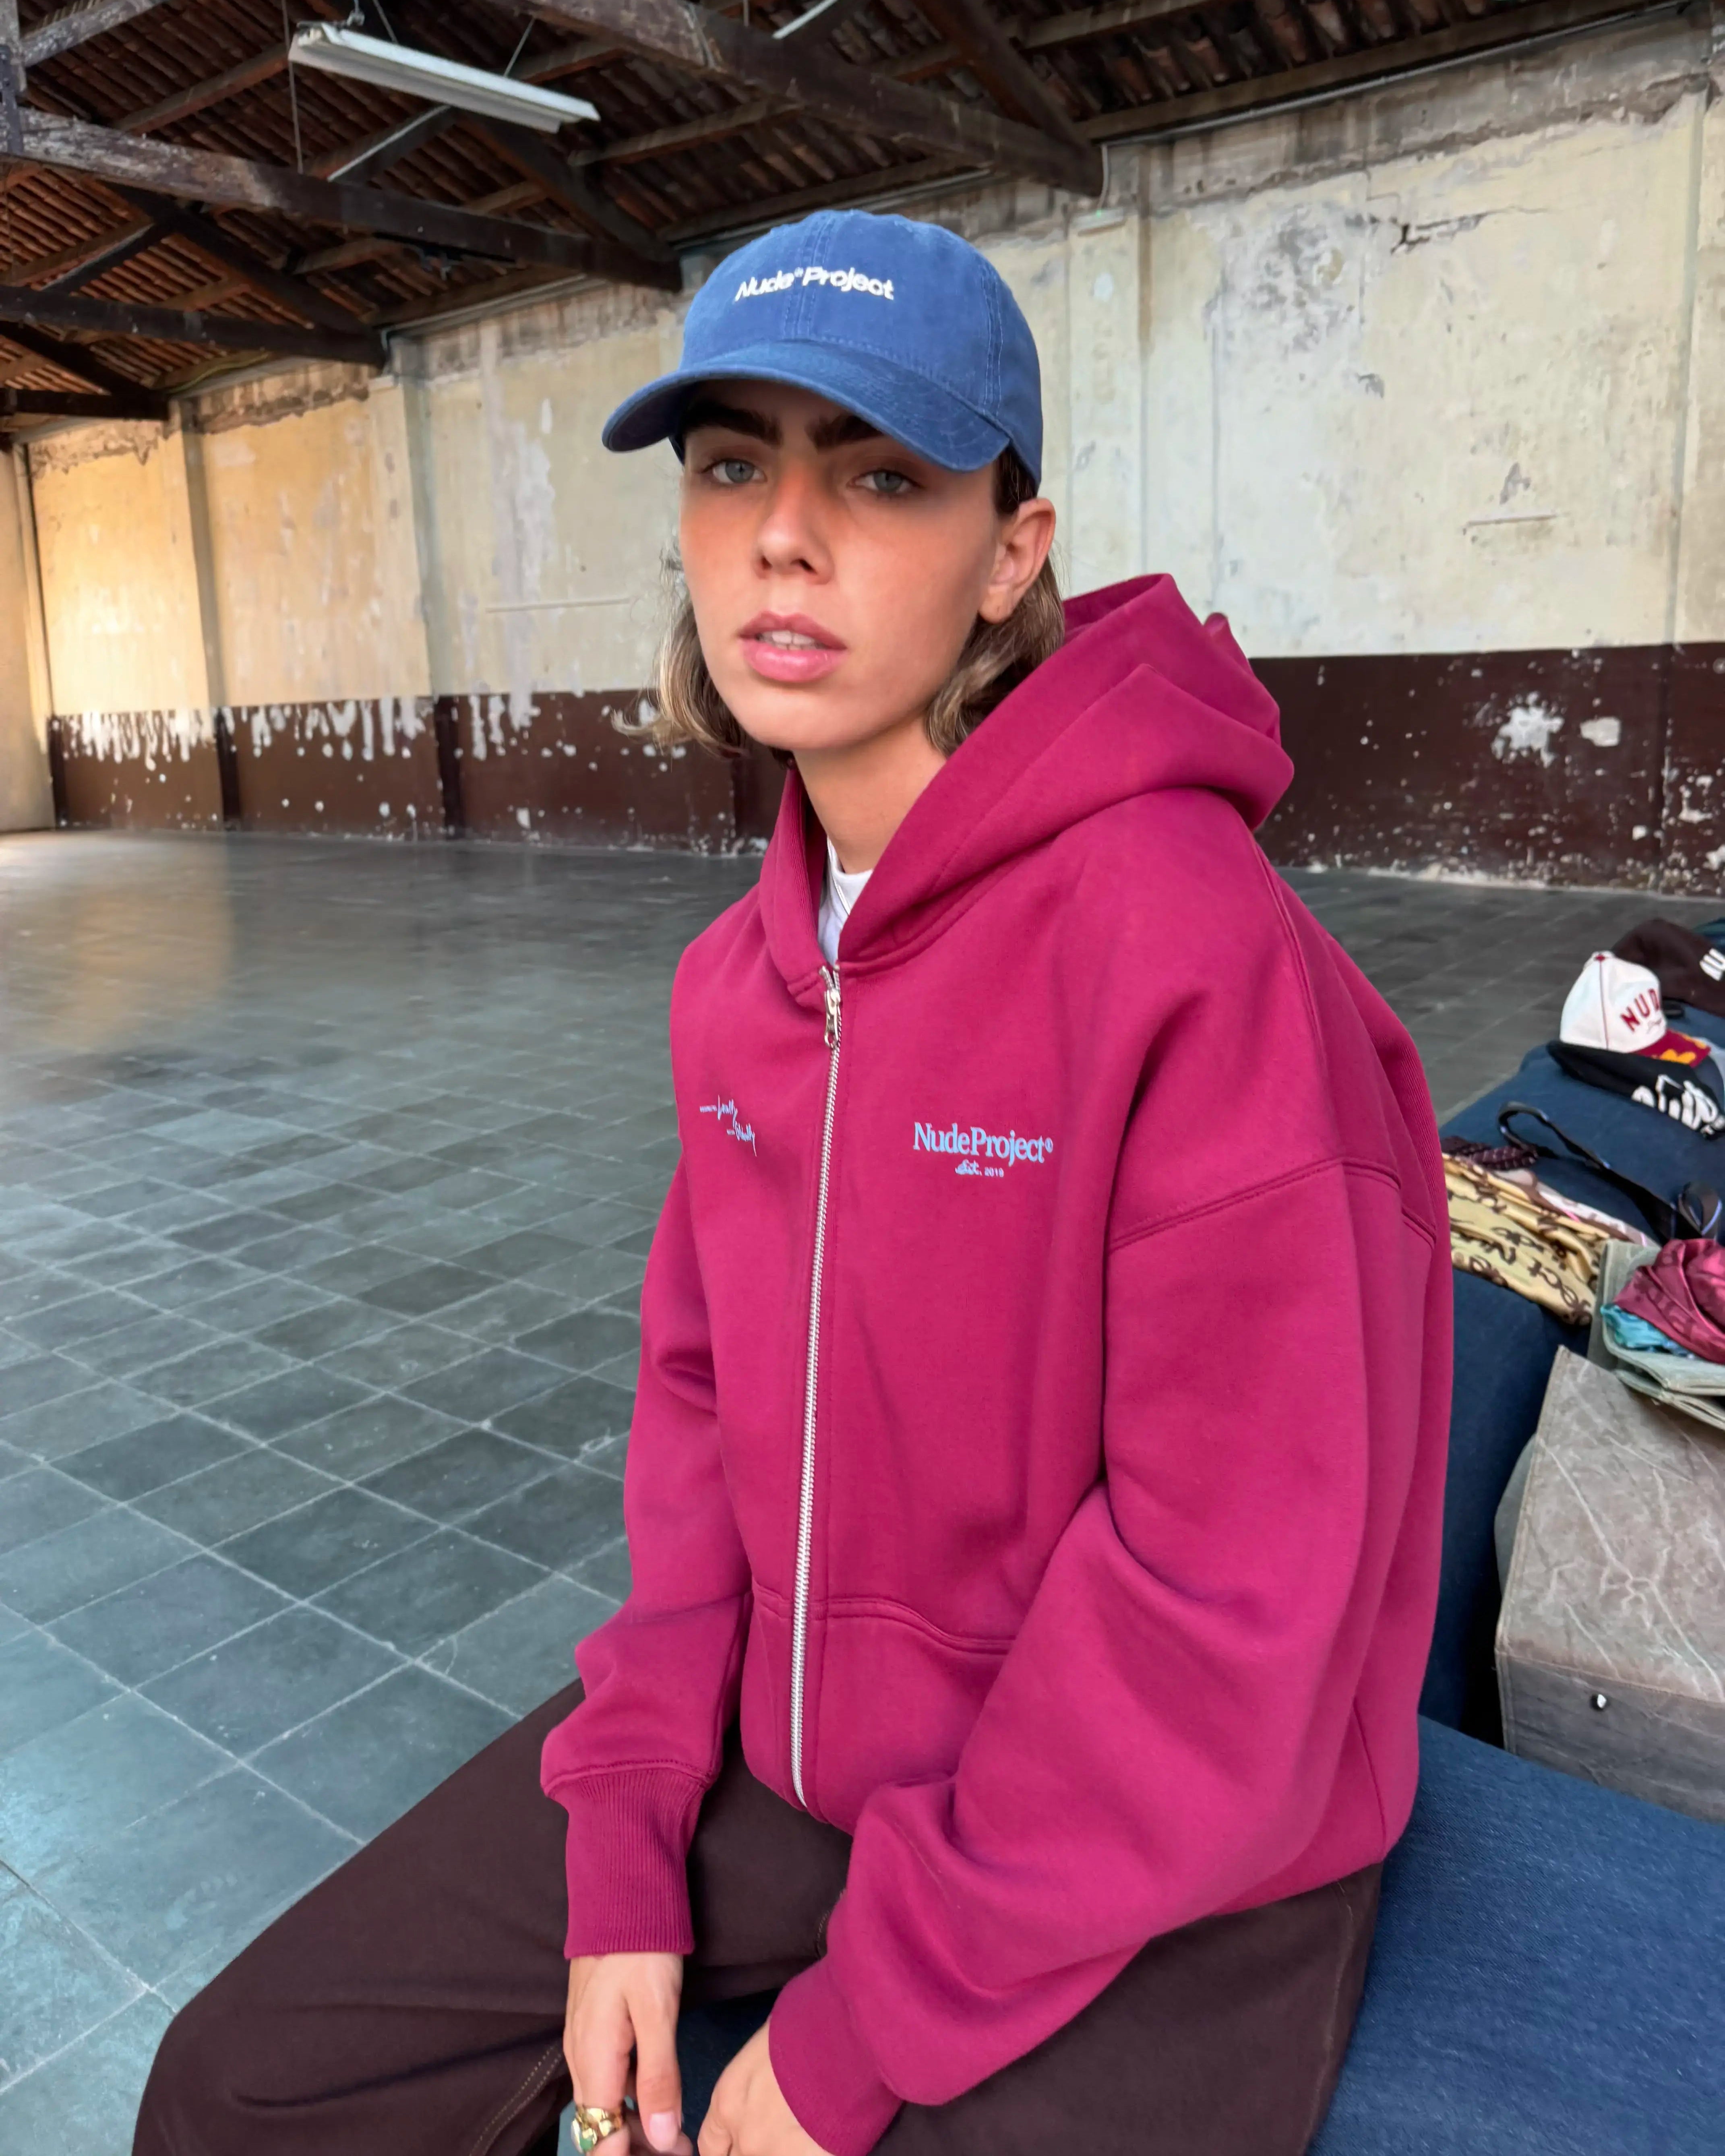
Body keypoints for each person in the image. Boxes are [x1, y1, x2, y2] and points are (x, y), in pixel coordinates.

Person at [134, 210, 1450, 2156]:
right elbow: (702, 1420)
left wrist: (859, 2035)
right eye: (733, 463)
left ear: (1013, 552)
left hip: (1154, 1848)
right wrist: (626, 1845)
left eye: (882, 476)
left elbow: (1225, 1600)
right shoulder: (740, 987)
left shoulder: (1197, 958)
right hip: (805, 1762)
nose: (783, 536)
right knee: (239, 2081)